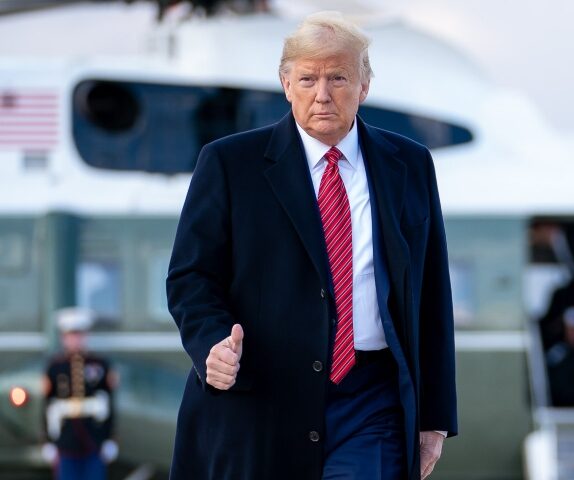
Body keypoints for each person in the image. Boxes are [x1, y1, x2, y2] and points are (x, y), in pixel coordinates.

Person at [167, 11, 457, 480]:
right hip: (263, 395)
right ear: (286, 84)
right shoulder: (228, 164)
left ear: (364, 85)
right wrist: (210, 345)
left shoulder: (411, 164)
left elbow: (432, 294)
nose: (322, 94)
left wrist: (435, 419)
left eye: (338, 77)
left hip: (372, 398)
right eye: (307, 79)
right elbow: (191, 277)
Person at [42, 307, 118, 480]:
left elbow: (109, 402)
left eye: (79, 334)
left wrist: (110, 438)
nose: (75, 339)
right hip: (66, 440)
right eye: (71, 335)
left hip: (94, 438)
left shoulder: (100, 365)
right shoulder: (55, 367)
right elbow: (47, 404)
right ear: (63, 338)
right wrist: (48, 441)